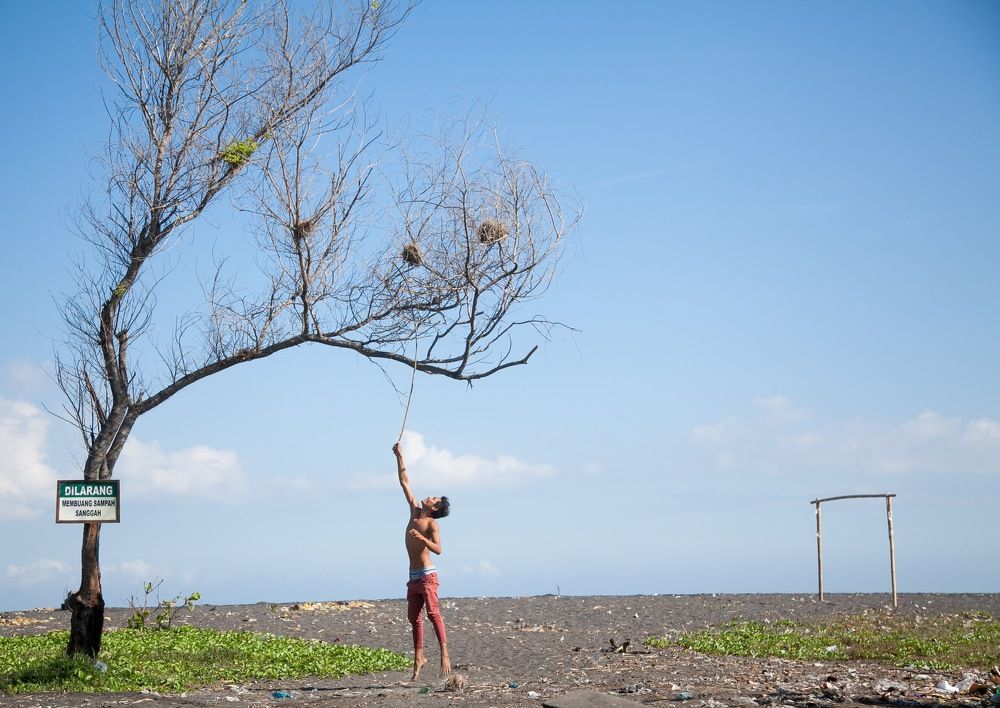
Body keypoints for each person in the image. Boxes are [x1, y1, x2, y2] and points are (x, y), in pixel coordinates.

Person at [393, 441, 451, 680]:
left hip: (427, 575)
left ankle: (444, 653)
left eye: (434, 498)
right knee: (413, 618)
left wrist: (422, 538)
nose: (429, 496)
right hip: (413, 576)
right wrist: (399, 455)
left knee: (433, 614)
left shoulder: (431, 523)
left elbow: (439, 550)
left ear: (434, 509)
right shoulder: (414, 511)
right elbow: (404, 481)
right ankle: (419, 657)